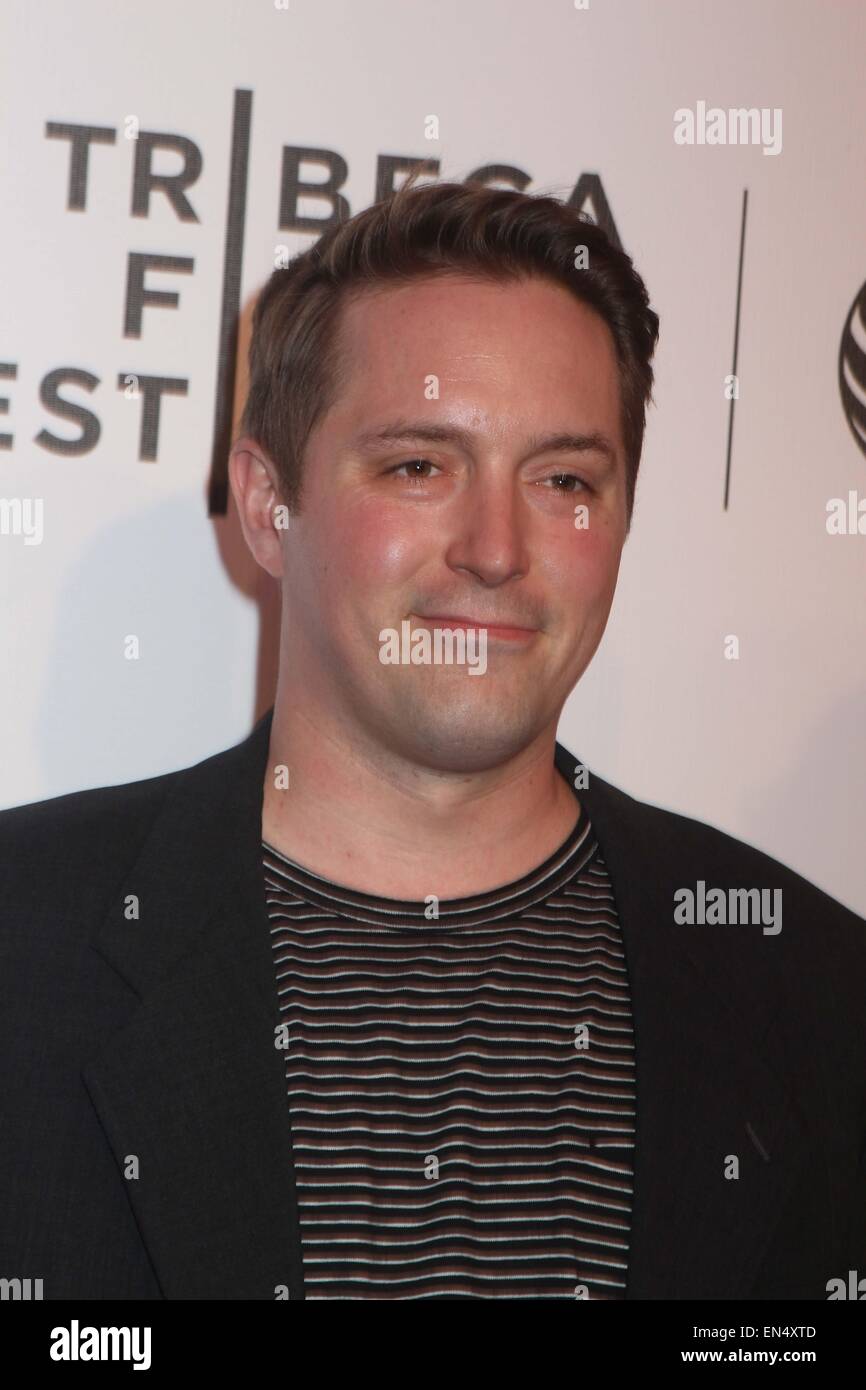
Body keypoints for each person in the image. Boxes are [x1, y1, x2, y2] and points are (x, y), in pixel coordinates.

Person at [1, 178, 864, 1302]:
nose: (496, 548)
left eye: (562, 480)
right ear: (269, 506)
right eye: (418, 465)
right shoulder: (25, 939)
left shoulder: (817, 992)